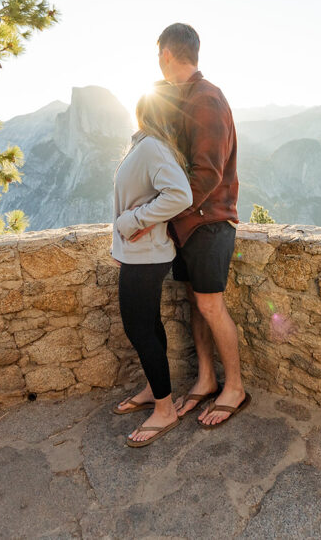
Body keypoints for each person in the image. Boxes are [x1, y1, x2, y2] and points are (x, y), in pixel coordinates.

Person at [127, 22, 249, 429]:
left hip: (211, 224)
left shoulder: (206, 99)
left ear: (165, 54)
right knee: (197, 306)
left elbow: (207, 174)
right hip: (190, 226)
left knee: (211, 305)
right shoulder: (188, 98)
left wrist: (160, 215)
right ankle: (207, 379)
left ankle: (235, 387)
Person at [110, 89, 193, 447]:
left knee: (138, 328)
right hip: (139, 254)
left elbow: (180, 195)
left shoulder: (152, 147)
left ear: (143, 112)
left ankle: (164, 410)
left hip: (146, 255)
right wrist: (123, 237)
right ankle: (153, 389)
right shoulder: (147, 144)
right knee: (149, 326)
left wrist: (134, 221)